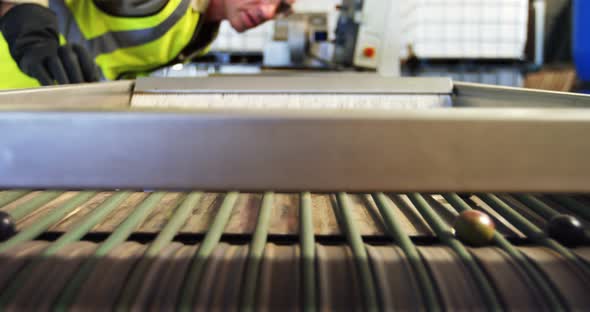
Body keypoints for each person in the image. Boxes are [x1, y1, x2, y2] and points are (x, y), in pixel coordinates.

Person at [0, 0, 294, 89]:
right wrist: (33, 36)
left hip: (37, 115)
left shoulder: (201, 35)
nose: (268, 12)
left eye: (281, 7)